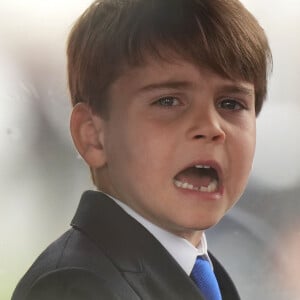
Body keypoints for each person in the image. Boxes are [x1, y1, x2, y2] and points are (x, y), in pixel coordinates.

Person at [12, 0, 272, 299]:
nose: (211, 127)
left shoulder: (205, 275)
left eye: (231, 104)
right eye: (168, 101)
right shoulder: (75, 287)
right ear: (94, 137)